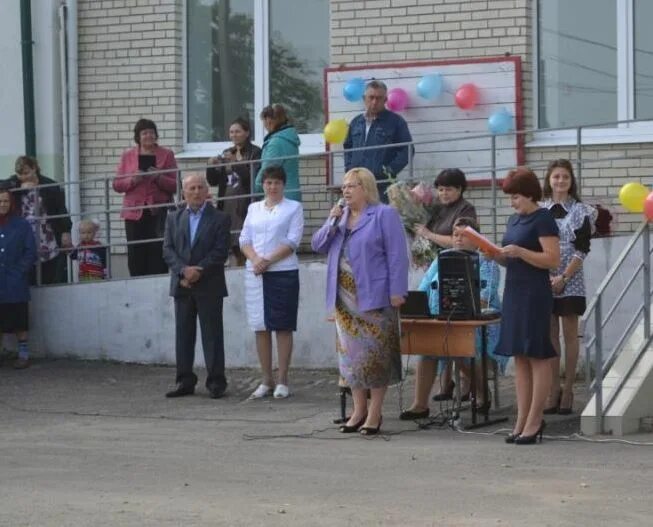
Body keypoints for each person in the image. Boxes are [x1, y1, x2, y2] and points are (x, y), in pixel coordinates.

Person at [312, 167, 409, 435]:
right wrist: (331, 221)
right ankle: (358, 411)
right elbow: (318, 245)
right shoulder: (340, 219)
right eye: (344, 186)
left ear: (365, 188)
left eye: (351, 185)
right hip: (344, 300)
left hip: (375, 298)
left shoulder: (383, 215)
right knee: (350, 359)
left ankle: (375, 413)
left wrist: (397, 290)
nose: (346, 190)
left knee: (376, 357)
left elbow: (397, 255)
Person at [400, 217, 505, 420]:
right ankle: (420, 405)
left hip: (477, 325)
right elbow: (423, 287)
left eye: (464, 236)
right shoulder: (441, 258)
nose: (458, 239)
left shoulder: (487, 262)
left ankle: (483, 393)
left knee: (463, 350)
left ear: (477, 239)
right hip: (439, 320)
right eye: (455, 235)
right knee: (426, 350)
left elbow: (483, 298)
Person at [485, 167, 560, 445]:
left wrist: (520, 252)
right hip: (514, 291)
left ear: (530, 194)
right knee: (519, 356)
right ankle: (521, 419)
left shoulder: (544, 219)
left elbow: (552, 260)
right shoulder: (513, 221)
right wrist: (495, 255)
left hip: (534, 293)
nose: (512, 202)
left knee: (536, 354)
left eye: (515, 196)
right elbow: (511, 258)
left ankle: (535, 419)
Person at [162, 173, 231, 399]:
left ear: (207, 191)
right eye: (191, 188)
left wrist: (197, 271)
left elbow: (220, 251)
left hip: (209, 284)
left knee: (212, 335)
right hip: (182, 284)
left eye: (200, 187)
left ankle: (216, 382)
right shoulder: (173, 218)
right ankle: (184, 381)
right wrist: (183, 271)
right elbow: (168, 250)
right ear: (184, 193)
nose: (196, 192)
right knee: (183, 335)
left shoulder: (220, 218)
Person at [239, 166, 304, 399]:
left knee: (283, 325)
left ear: (283, 185)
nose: (272, 187)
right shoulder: (253, 208)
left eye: (276, 182)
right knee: (260, 326)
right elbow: (244, 238)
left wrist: (267, 260)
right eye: (268, 183)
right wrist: (256, 260)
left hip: (283, 271)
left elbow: (292, 240)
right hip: (255, 272)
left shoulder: (294, 207)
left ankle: (283, 379)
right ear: (262, 185)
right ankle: (266, 379)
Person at [414, 168, 478, 401]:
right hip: (436, 269)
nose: (443, 193)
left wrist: (428, 235)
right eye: (440, 189)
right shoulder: (438, 209)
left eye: (448, 189)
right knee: (437, 332)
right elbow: (422, 230)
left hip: (458, 270)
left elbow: (459, 240)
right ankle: (445, 383)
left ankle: (468, 384)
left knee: (453, 332)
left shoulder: (466, 209)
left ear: (460, 189)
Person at [541, 159, 597, 415]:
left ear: (571, 181)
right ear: (549, 180)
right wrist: (547, 276)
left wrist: (563, 276)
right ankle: (553, 389)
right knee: (550, 335)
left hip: (570, 279)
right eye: (556, 177)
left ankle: (569, 389)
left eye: (565, 177)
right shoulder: (540, 209)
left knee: (570, 334)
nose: (560, 181)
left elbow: (583, 248)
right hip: (544, 279)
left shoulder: (581, 211)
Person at [113, 118, 178, 277]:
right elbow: (116, 185)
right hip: (134, 213)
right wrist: (133, 179)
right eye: (144, 133)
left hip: (158, 213)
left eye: (151, 132)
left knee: (158, 252)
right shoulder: (128, 156)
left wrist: (158, 176)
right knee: (136, 254)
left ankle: (159, 287)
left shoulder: (167, 154)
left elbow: (176, 185)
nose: (149, 136)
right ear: (138, 136)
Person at [5, 156, 72, 284]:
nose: (23, 177)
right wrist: (17, 186)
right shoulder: (15, 183)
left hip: (46, 235)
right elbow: (2, 185)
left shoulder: (49, 185)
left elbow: (60, 210)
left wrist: (65, 230)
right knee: (26, 270)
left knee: (49, 272)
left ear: (34, 168)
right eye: (19, 174)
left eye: (26, 173)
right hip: (24, 236)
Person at [343, 80, 413, 201]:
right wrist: (350, 169)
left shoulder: (395, 122)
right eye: (371, 97)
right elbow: (348, 147)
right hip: (356, 185)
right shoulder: (356, 122)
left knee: (380, 217)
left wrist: (388, 172)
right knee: (358, 218)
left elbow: (407, 150)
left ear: (385, 100)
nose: (374, 102)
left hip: (381, 185)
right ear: (364, 98)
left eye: (379, 98)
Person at [206, 117, 262, 266]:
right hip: (227, 203)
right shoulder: (227, 152)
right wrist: (211, 167)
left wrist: (235, 163)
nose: (233, 135)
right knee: (230, 241)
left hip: (246, 203)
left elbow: (252, 179)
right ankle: (237, 264)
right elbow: (213, 181)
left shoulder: (255, 152)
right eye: (231, 132)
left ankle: (247, 265)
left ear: (247, 133)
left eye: (237, 131)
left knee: (245, 240)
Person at [0, 186, 37, 369]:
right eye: (0, 201)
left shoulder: (21, 224)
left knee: (19, 318)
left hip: (15, 279)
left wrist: (21, 270)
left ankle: (23, 354)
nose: (3, 204)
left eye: (6, 201)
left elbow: (30, 251)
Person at [254, 104, 301, 202]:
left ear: (269, 120)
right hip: (290, 193)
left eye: (264, 120)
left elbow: (267, 170)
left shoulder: (276, 143)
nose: (264, 125)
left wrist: (256, 188)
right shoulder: (289, 138)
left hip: (280, 197)